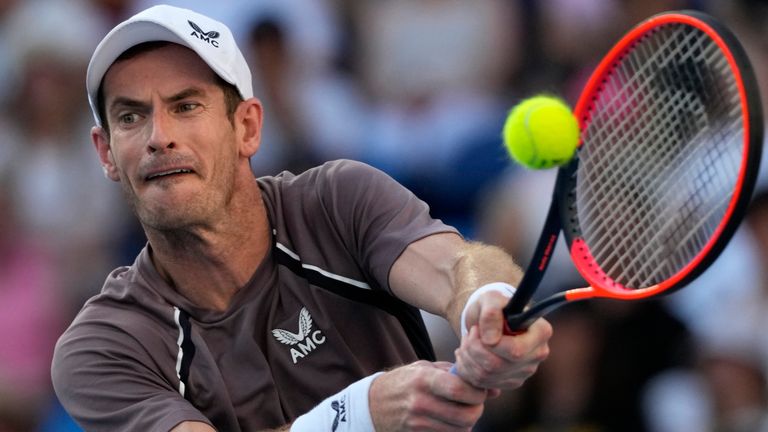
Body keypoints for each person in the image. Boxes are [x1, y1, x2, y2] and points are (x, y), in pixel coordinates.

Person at [51, 5, 552, 431]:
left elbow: (455, 266)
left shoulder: (338, 198)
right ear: (107, 153)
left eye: (186, 106)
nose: (159, 136)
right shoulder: (101, 346)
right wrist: (360, 414)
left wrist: (487, 305)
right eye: (131, 117)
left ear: (246, 128)